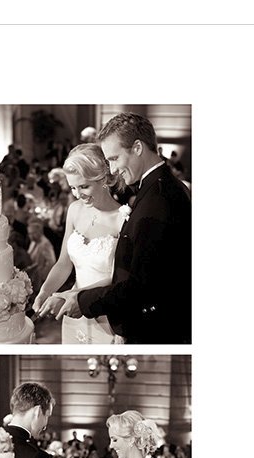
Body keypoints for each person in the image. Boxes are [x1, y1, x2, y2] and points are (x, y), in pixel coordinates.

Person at [52, 112, 193, 344]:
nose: (113, 169)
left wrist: (83, 300)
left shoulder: (159, 199)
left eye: (115, 159)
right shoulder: (157, 189)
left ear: (137, 147)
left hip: (156, 329)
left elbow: (142, 284)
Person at [32, 143, 125, 344]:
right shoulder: (74, 210)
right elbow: (64, 263)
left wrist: (71, 295)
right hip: (72, 311)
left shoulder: (123, 219)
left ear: (104, 179)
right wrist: (45, 291)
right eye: (73, 187)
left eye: (84, 186)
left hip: (107, 314)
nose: (77, 194)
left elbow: (120, 280)